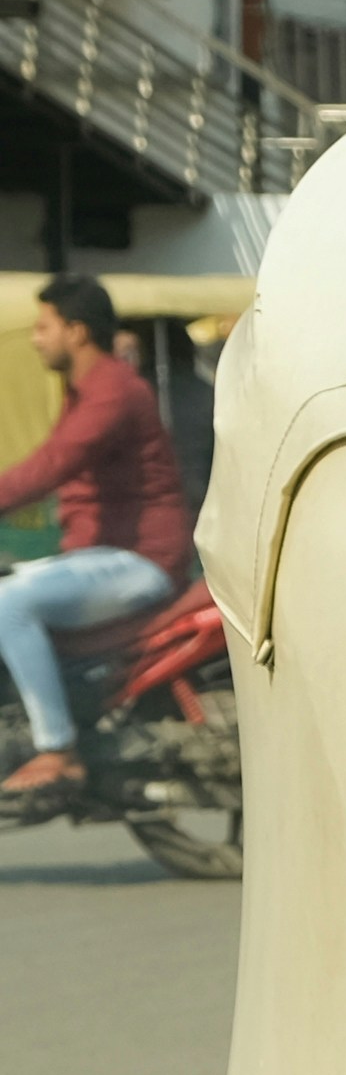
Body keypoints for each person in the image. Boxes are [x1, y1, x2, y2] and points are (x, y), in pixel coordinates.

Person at [0, 273, 191, 803]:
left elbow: (52, 465)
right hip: (100, 556)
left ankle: (58, 750)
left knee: (8, 604)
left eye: (44, 327)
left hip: (140, 561)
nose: (36, 339)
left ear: (77, 332)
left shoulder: (112, 391)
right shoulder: (86, 389)